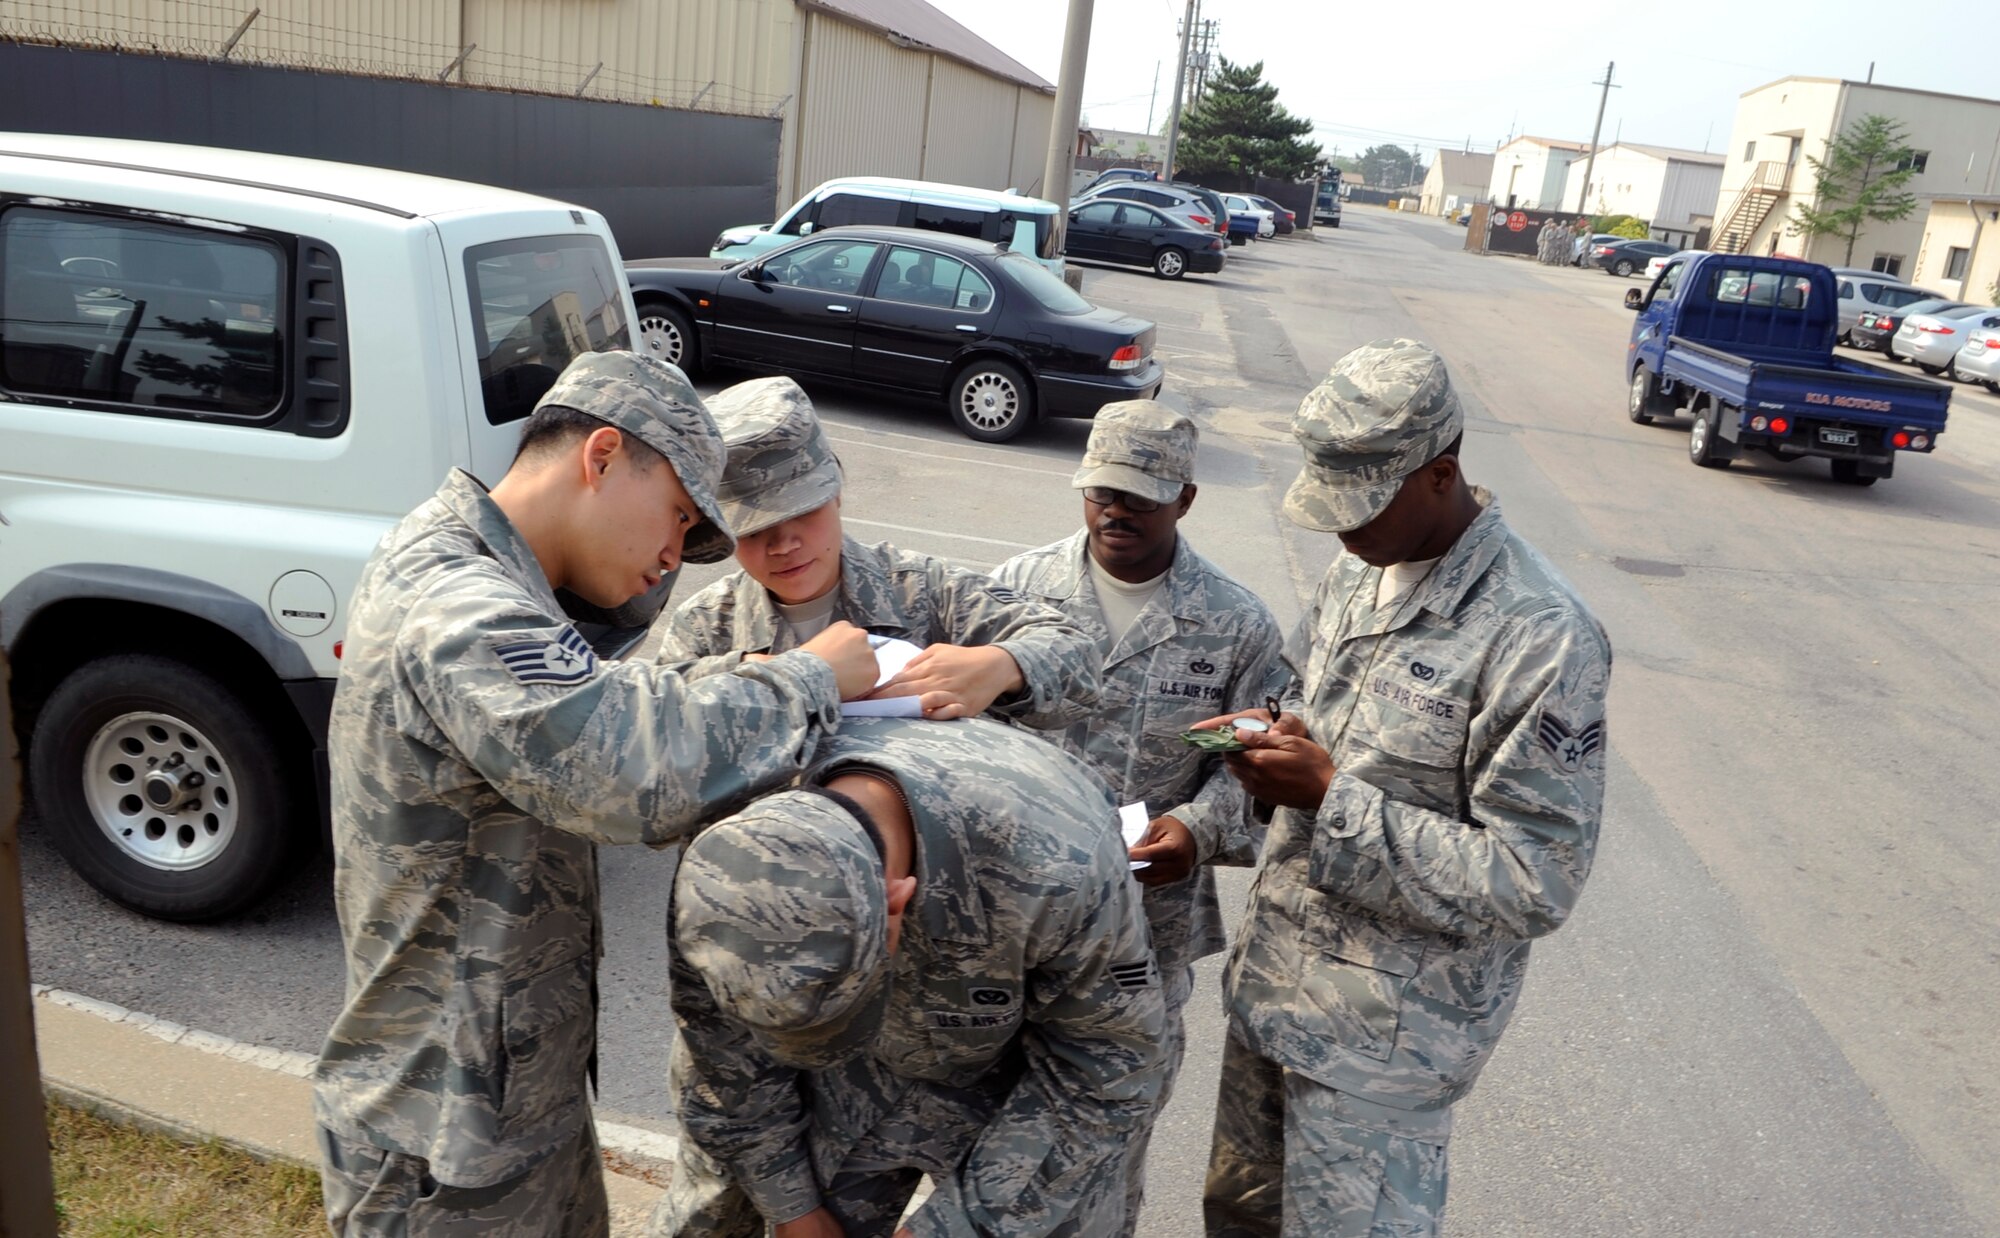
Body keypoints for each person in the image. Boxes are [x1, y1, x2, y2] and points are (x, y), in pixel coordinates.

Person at [312, 352, 878, 1237]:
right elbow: (623, 772)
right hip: (444, 1140)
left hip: (502, 1104)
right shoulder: (463, 599)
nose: (669, 559)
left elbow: (599, 700)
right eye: (677, 517)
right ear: (603, 455)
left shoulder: (494, 580)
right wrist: (808, 680)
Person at [1196, 339, 1612, 1238]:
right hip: (1275, 995)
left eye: (1361, 503)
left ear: (1440, 474)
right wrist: (1277, 747)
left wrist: (1330, 798)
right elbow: (1311, 700)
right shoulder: (1362, 567)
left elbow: (1534, 879)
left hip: (1382, 1056)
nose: (1340, 528)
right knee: (1237, 1222)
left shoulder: (1540, 635)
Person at [650, 716, 1168, 1238]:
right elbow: (720, 1047)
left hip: (1024, 1074)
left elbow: (1106, 1070)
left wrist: (951, 1229)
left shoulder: (1058, 865)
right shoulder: (725, 859)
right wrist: (790, 1204)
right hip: (849, 1079)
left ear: (898, 902)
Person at [992, 401, 1282, 1233]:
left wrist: (1198, 825)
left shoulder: (1234, 625)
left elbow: (1254, 767)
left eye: (1141, 497)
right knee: (990, 1138)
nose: (1116, 510)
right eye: (1102, 492)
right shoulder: (1015, 592)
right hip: (1016, 926)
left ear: (1186, 499)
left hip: (1144, 939)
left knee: (1108, 1153)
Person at [658, 375, 1100, 727]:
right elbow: (653, 725)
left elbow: (1077, 655)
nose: (785, 544)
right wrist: (761, 677)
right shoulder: (706, 628)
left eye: (804, 512)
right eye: (755, 530)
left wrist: (1002, 665)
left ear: (836, 494)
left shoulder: (921, 590)